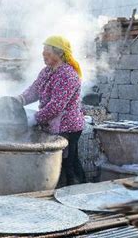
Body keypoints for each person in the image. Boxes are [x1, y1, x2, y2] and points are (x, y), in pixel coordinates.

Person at [16, 35, 86, 185]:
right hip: (52, 125)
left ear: (59, 53)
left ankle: (74, 191)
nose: (43, 54)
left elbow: (56, 106)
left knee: (68, 164)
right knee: (59, 163)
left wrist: (34, 118)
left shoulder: (68, 75)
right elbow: (35, 90)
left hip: (67, 127)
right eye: (43, 50)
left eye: (47, 51)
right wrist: (19, 100)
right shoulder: (47, 71)